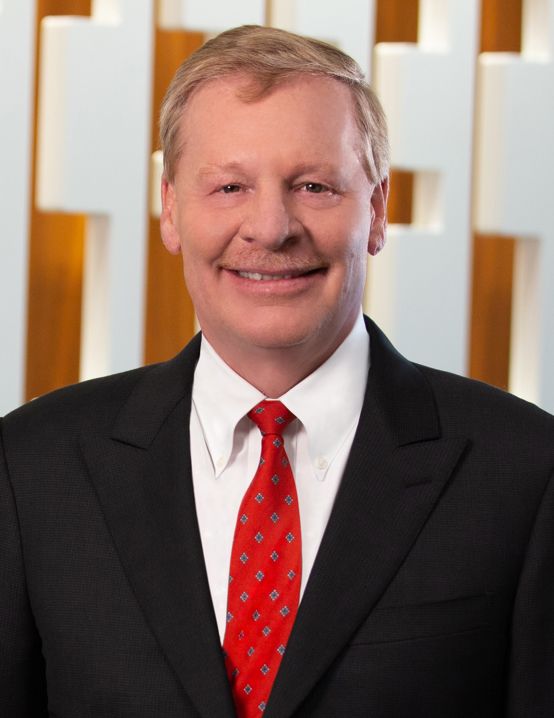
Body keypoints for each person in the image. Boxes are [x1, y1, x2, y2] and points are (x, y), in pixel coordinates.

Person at [1, 24, 553, 718]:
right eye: (229, 186)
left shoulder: (527, 471)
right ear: (170, 209)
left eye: (314, 186)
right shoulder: (31, 466)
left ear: (377, 211)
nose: (270, 227)